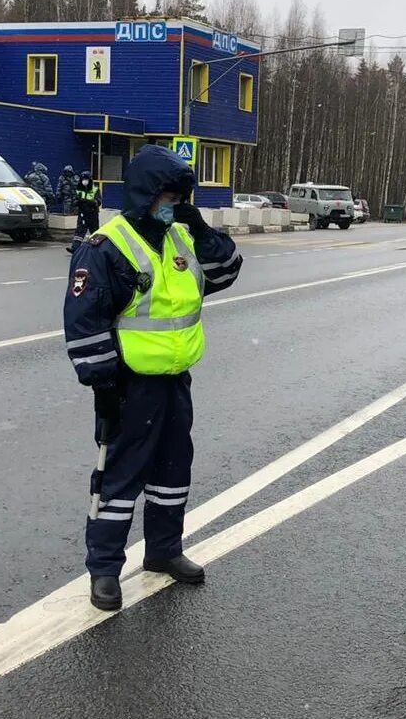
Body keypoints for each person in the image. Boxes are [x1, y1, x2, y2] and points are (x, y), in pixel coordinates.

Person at [64, 145, 242, 612]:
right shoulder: (106, 246)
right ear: (146, 194)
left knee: (172, 471)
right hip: (127, 385)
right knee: (118, 479)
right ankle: (104, 570)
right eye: (168, 196)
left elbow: (225, 271)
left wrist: (202, 230)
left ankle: (164, 550)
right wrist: (104, 387)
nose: (174, 205)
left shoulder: (182, 239)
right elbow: (86, 322)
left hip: (175, 381)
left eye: (181, 197)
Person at [67, 170, 102, 253]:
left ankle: (98, 249)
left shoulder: (95, 189)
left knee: (94, 231)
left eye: (86, 179)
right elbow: (74, 201)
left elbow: (98, 201)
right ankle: (75, 248)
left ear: (90, 179)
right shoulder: (79, 189)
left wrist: (92, 202)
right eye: (83, 179)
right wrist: (78, 202)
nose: (84, 181)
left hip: (92, 213)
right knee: (79, 231)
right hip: (82, 213)